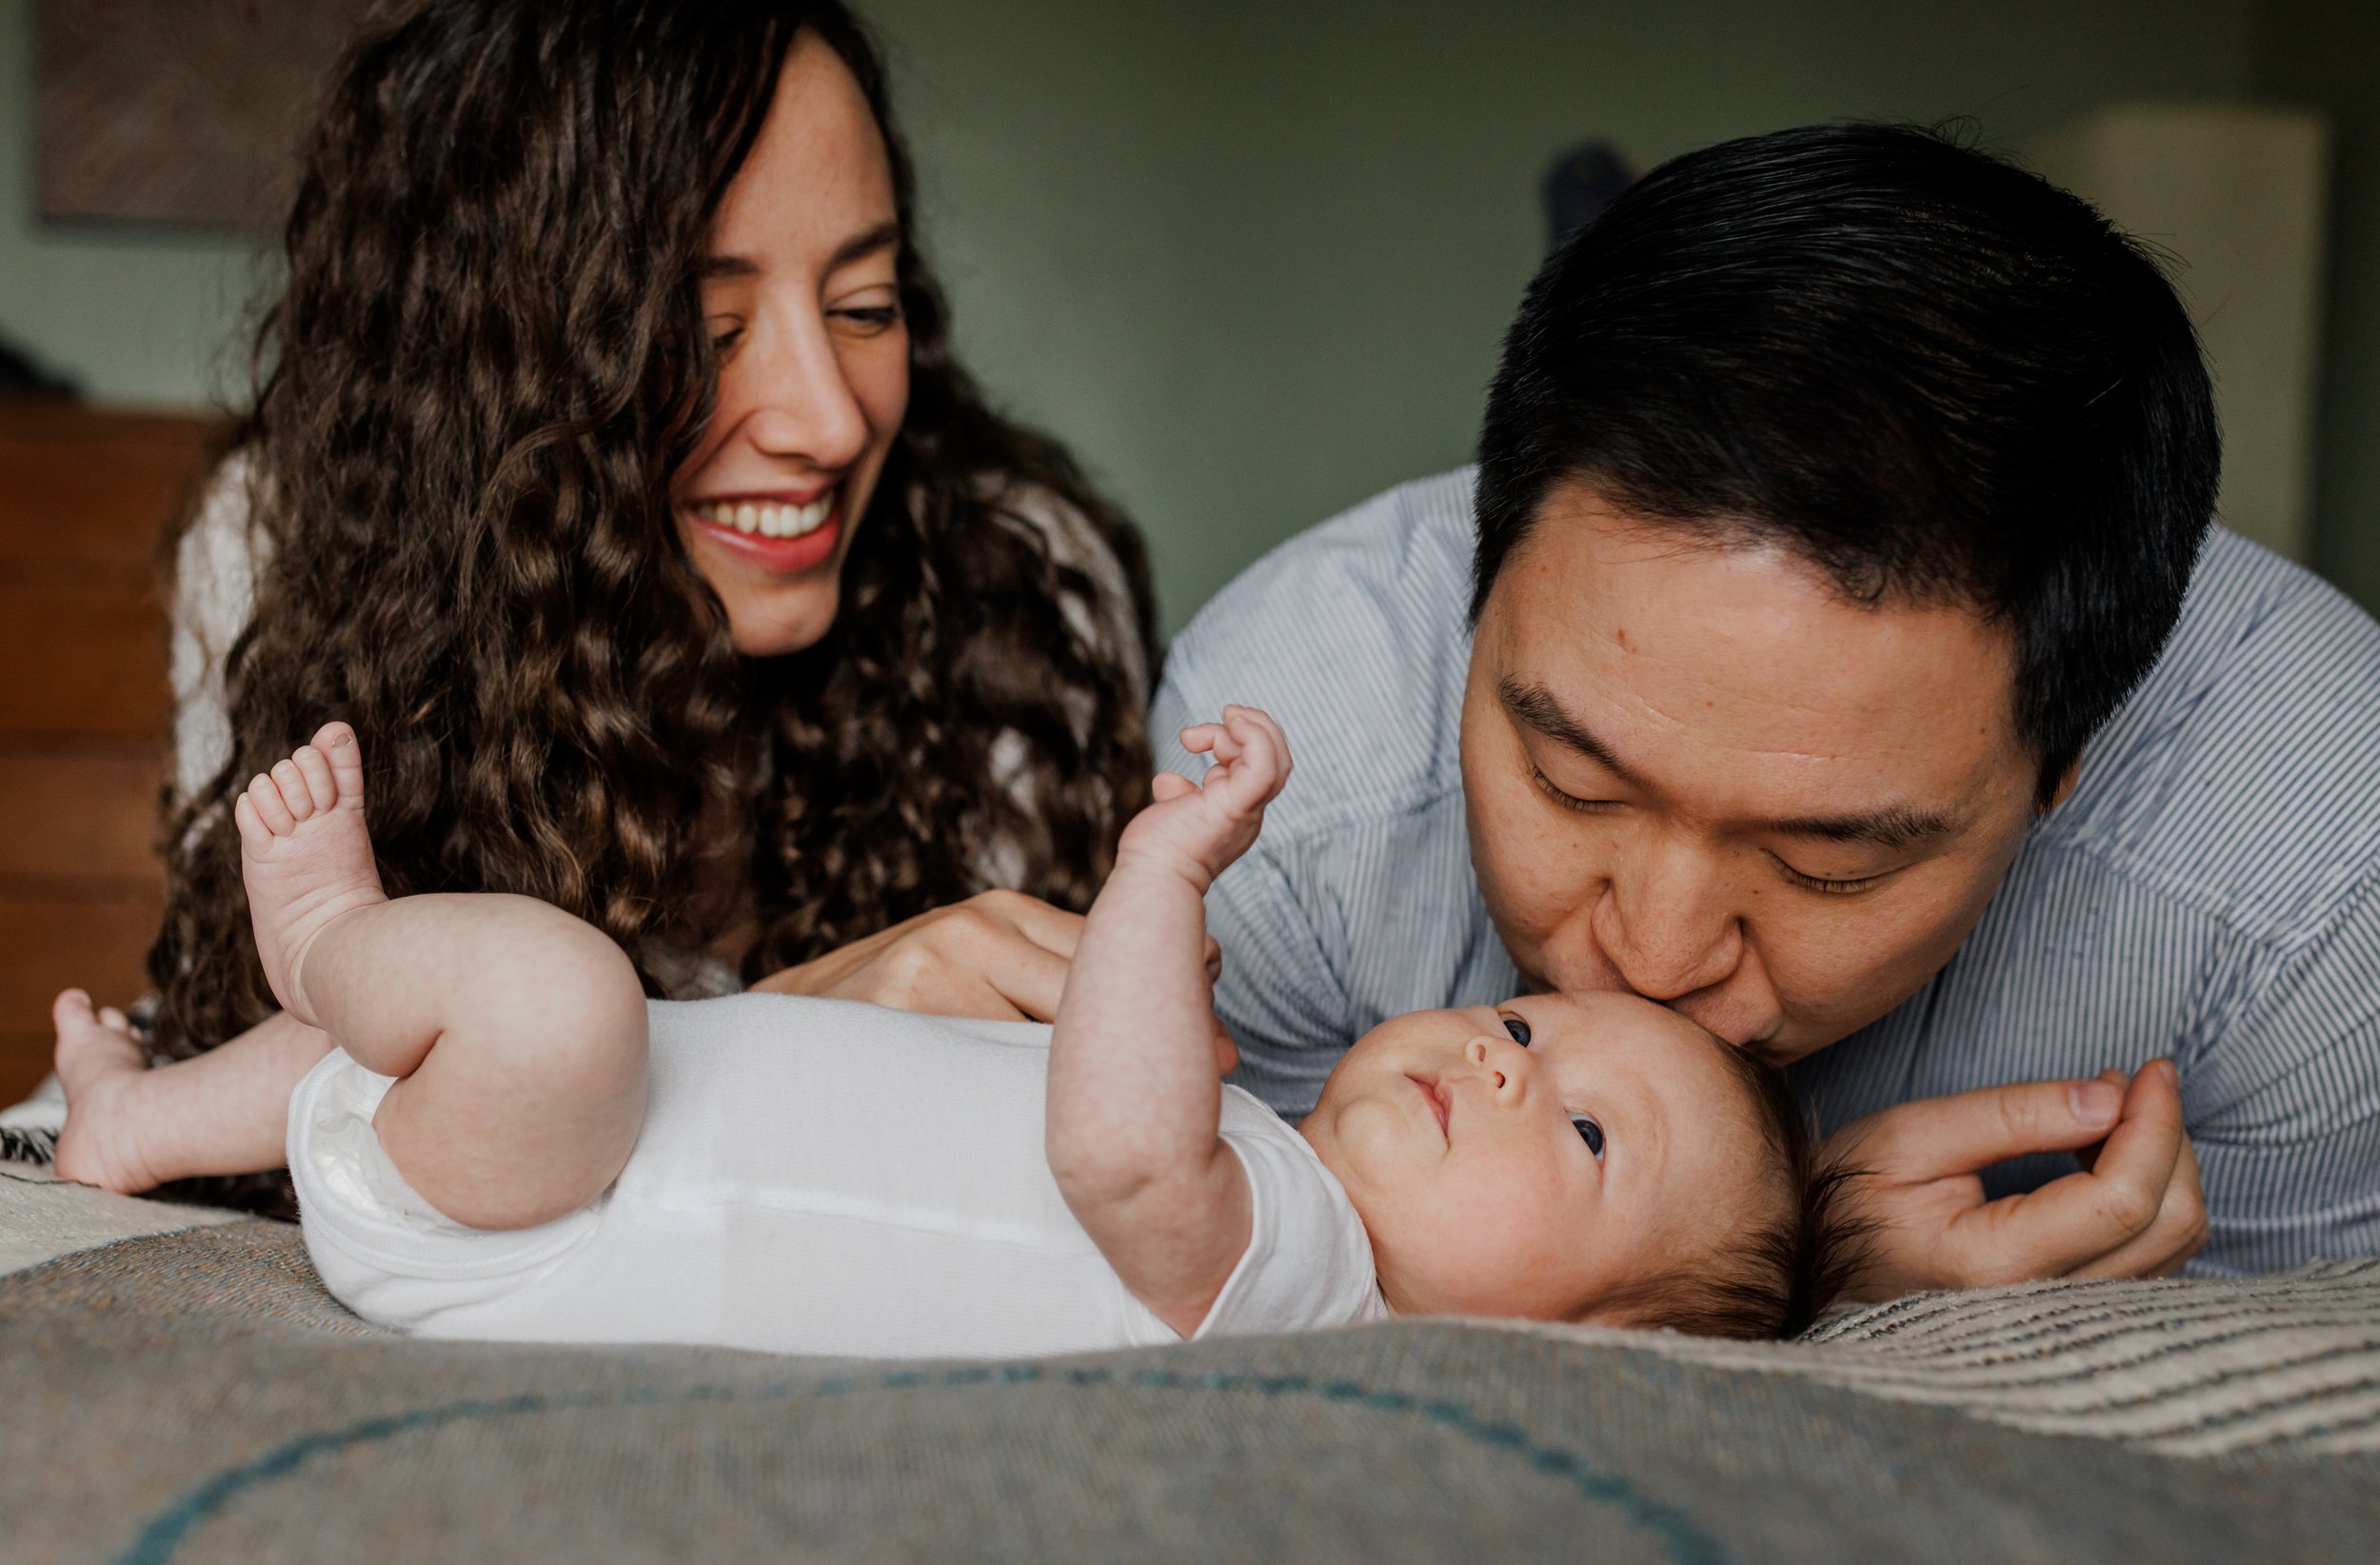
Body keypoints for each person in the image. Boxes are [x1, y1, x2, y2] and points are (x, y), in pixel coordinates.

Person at [1150, 125, 2380, 1296]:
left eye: (1826, 859)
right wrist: (1817, 1286)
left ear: (2067, 757)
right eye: (1574, 784)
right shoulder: (1282, 755)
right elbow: (1264, 1286)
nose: (1655, 954)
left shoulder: (2316, 883)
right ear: (1478, 602)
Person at [49, 0, 1155, 1208]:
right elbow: (290, 1089)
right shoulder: (278, 538)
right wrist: (802, 1024)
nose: (832, 421)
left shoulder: (1022, 585)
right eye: (705, 328)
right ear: (502, 364)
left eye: (865, 306)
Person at [53, 710, 1853, 1352]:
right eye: (1526, 1020)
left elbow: (1115, 1147)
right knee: (442, 1065)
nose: (1505, 1061)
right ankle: (145, 1126)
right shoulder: (1275, 1178)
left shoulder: (1294, 1275)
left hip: (552, 1220)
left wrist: (1163, 872)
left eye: (1588, 1135)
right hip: (571, 1144)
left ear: (1599, 1347)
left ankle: (330, 935)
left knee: (553, 1002)